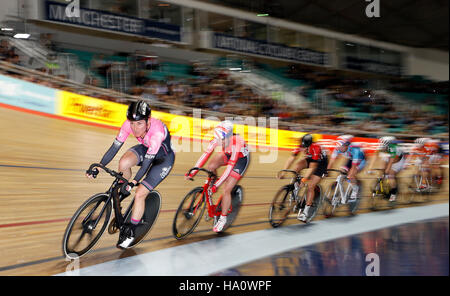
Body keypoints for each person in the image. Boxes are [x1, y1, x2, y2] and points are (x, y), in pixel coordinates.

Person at [86, 100, 175, 249]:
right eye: (132, 123)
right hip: (146, 149)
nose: (134, 128)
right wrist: (100, 166)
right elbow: (114, 149)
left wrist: (135, 181)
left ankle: (132, 232)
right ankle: (123, 190)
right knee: (123, 163)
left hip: (163, 161)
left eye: (139, 123)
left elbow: (147, 164)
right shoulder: (128, 124)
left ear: (148, 121)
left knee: (140, 193)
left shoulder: (157, 133)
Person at [185, 120, 250, 233]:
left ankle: (223, 218)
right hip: (228, 154)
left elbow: (230, 167)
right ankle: (211, 187)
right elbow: (205, 154)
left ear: (229, 137)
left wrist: (218, 184)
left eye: (221, 139)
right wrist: (193, 171)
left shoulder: (237, 142)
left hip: (240, 160)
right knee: (211, 166)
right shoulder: (218, 139)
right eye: (217, 138)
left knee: (226, 189)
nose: (218, 141)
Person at [279, 134, 328, 222]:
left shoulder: (315, 148)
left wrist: (304, 179)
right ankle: (296, 190)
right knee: (296, 167)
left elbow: (312, 167)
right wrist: (284, 171)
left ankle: (306, 212)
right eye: (302, 147)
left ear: (310, 145)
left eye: (305, 147)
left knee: (310, 186)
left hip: (321, 163)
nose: (303, 149)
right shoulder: (301, 145)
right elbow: (291, 158)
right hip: (310, 158)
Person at [367, 136, 408, 202]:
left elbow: (391, 162)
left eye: (384, 147)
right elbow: (375, 156)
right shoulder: (382, 146)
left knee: (390, 174)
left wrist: (387, 171)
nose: (383, 148)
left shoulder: (393, 148)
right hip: (390, 158)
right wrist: (370, 168)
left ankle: (393, 194)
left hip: (398, 161)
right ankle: (381, 186)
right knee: (382, 168)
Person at [327, 135, 365, 202]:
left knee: (351, 175)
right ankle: (340, 190)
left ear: (346, 146)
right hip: (351, 159)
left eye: (341, 148)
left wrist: (350, 175)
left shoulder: (355, 150)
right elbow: (332, 160)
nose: (340, 150)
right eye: (339, 148)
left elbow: (353, 167)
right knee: (342, 170)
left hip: (361, 160)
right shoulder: (338, 148)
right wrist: (327, 170)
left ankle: (355, 190)